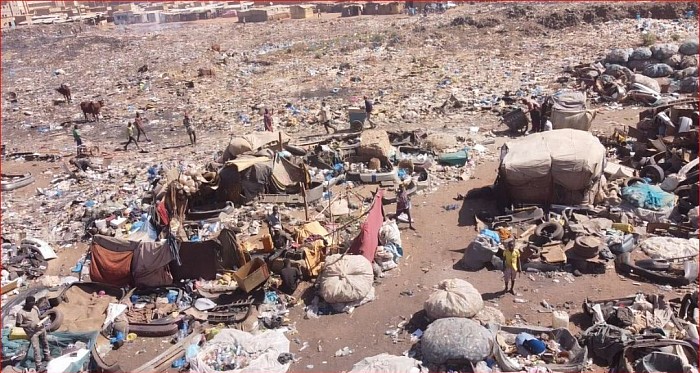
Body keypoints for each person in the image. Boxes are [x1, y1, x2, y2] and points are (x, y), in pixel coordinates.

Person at [16, 296, 51, 369]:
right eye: (31, 304)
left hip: (41, 328)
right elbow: (18, 325)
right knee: (36, 349)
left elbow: (39, 316)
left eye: (33, 304)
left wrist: (45, 317)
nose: (32, 305)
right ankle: (38, 365)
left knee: (45, 342)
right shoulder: (21, 313)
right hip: (32, 333)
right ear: (27, 303)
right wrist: (27, 324)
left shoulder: (35, 308)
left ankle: (47, 356)